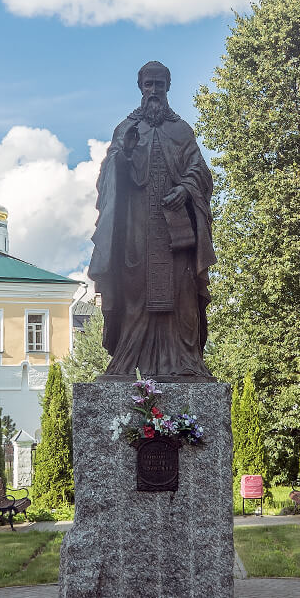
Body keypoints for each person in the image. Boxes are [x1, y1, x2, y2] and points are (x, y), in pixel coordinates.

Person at [88, 61, 216, 381]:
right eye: (149, 84)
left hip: (176, 233)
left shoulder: (181, 130)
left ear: (168, 87)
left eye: (160, 84)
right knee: (136, 294)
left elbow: (200, 171)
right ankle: (127, 359)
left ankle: (184, 363)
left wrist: (186, 189)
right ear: (140, 87)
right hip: (136, 230)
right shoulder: (127, 128)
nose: (154, 90)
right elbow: (106, 180)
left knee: (182, 294)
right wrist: (123, 156)